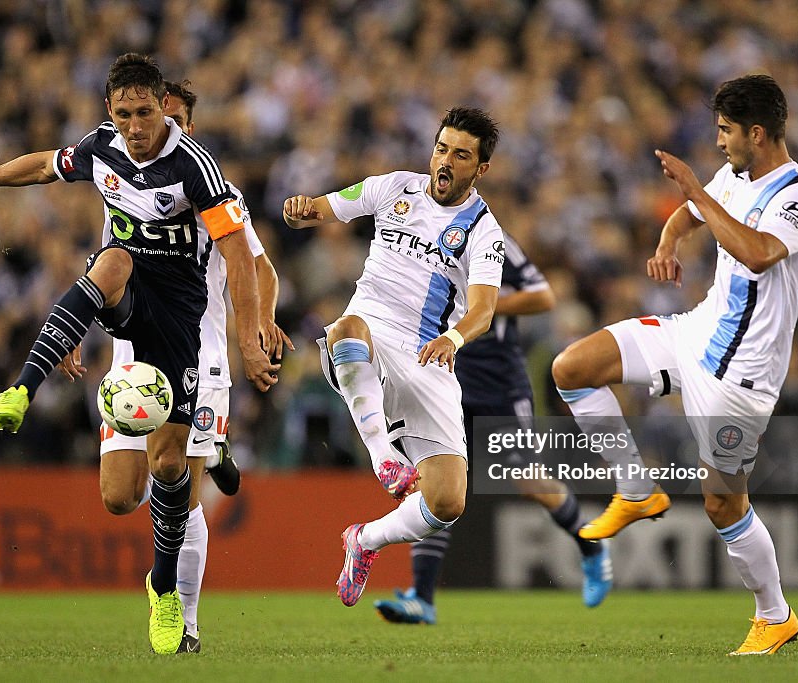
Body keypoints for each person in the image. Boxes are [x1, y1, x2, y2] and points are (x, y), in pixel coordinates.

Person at [0, 54, 278, 655]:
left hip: (182, 328)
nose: (138, 125)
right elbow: (45, 165)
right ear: (111, 113)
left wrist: (252, 339)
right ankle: (22, 387)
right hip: (127, 315)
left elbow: (245, 260)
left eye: (148, 113)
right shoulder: (103, 148)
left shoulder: (198, 170)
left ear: (169, 114)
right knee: (114, 261)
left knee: (168, 471)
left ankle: (167, 591)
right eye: (126, 114)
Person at [550, 74, 798, 655]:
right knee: (572, 367)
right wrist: (668, 244)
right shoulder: (734, 176)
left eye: (726, 131)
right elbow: (688, 216)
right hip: (695, 332)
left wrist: (698, 191)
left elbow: (755, 252)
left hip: (743, 375)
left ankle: (774, 615)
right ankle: (635, 486)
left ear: (757, 132)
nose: (719, 141)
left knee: (723, 502)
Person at [57, 80, 292, 654]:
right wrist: (76, 333)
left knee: (178, 487)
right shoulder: (129, 192)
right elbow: (105, 273)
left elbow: (257, 267)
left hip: (202, 356)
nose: (160, 128)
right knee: (119, 497)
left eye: (172, 118)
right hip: (133, 359)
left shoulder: (215, 191)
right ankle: (213, 454)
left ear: (184, 123)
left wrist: (260, 323)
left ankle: (182, 623)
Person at [283, 107, 504, 607]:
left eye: (461, 155)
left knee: (447, 502)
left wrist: (454, 339)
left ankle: (363, 541)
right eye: (441, 148)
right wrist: (299, 209)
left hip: (430, 355)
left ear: (480, 169)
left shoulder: (484, 231)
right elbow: (321, 208)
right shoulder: (395, 188)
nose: (445, 161)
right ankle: (385, 459)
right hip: (367, 338)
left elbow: (484, 311)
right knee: (345, 327)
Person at [373, 232, 612, 625]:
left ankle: (590, 543)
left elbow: (542, 296)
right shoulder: (414, 240)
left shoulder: (491, 240)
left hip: (499, 384)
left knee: (528, 480)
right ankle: (422, 596)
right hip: (443, 378)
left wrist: (477, 307)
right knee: (433, 483)